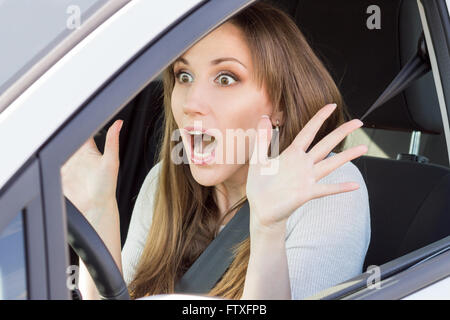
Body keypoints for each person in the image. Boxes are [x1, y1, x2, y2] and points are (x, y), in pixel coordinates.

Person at [61, 2, 370, 300]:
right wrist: (97, 212)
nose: (191, 103)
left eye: (225, 79)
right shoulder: (162, 183)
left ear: (280, 106)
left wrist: (267, 228)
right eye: (184, 76)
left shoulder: (325, 187)